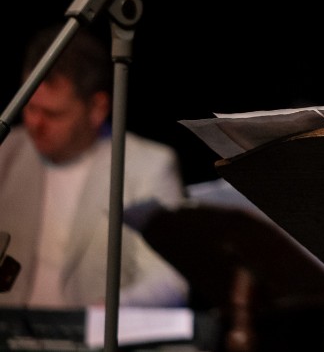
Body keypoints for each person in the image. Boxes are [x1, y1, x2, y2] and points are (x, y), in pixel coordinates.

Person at [0, 26, 187, 309]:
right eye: (30, 107)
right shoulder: (6, 151)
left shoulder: (148, 166)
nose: (35, 123)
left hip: (92, 331)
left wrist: (106, 312)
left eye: (53, 114)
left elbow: (170, 279)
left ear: (97, 108)